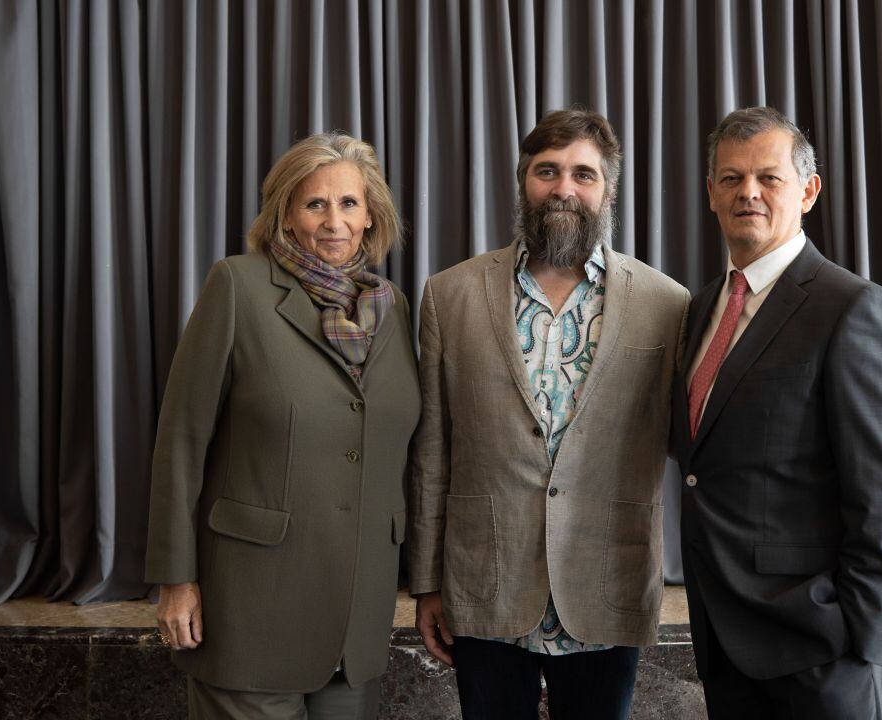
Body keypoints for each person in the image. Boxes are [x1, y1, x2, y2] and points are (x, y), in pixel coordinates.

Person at [407, 108, 689, 719]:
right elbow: (433, 451)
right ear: (522, 181)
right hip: (486, 583)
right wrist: (428, 582)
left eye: (583, 174)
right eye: (548, 171)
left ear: (608, 190)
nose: (564, 187)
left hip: (606, 583)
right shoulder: (448, 296)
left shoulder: (667, 305)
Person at [144, 132, 421, 719]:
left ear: (371, 215)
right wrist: (175, 578)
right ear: (286, 216)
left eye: (348, 203)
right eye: (314, 203)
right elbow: (181, 442)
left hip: (355, 618)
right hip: (248, 608)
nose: (333, 221)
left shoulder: (391, 308)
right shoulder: (238, 286)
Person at [670, 105, 882, 719]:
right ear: (710, 194)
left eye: (769, 177)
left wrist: (859, 649)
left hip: (824, 658)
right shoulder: (699, 310)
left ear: (809, 191)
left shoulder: (854, 308)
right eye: (730, 179)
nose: (748, 193)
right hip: (728, 651)